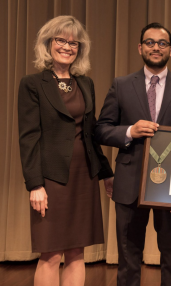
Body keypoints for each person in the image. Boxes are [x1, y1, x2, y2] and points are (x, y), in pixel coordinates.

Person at [94, 22, 171, 286]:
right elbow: (101, 130)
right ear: (140, 47)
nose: (155, 47)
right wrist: (129, 131)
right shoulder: (121, 85)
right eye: (149, 42)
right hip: (129, 183)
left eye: (162, 43)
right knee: (129, 256)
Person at [18, 15, 114, 286]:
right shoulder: (32, 83)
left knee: (76, 251)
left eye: (74, 43)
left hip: (84, 176)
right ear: (48, 43)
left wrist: (106, 173)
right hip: (51, 178)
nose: (67, 47)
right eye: (61, 40)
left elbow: (91, 134)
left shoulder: (85, 83)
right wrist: (35, 185)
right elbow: (28, 138)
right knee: (50, 253)